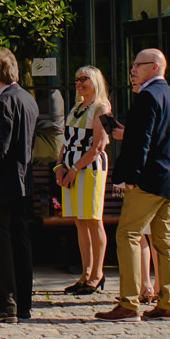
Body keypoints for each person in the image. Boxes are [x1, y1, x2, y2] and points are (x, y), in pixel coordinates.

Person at [97, 48, 170, 323]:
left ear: (154, 67)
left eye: (137, 65)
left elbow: (142, 142)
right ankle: (168, 302)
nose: (132, 70)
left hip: (148, 181)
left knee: (127, 234)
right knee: (165, 241)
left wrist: (129, 176)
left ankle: (128, 303)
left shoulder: (147, 97)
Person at [0, 49, 39, 323]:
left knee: (1, 240)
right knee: (21, 240)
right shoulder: (28, 99)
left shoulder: (3, 102)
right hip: (24, 179)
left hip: (3, 181)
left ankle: (6, 299)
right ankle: (23, 300)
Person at [55, 65, 121, 295]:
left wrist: (73, 169)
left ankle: (97, 274)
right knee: (80, 221)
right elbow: (65, 142)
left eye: (85, 79)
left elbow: (99, 146)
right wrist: (59, 167)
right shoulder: (76, 107)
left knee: (93, 220)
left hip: (90, 169)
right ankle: (85, 273)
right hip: (72, 168)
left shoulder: (102, 108)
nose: (80, 83)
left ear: (96, 81)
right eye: (77, 79)